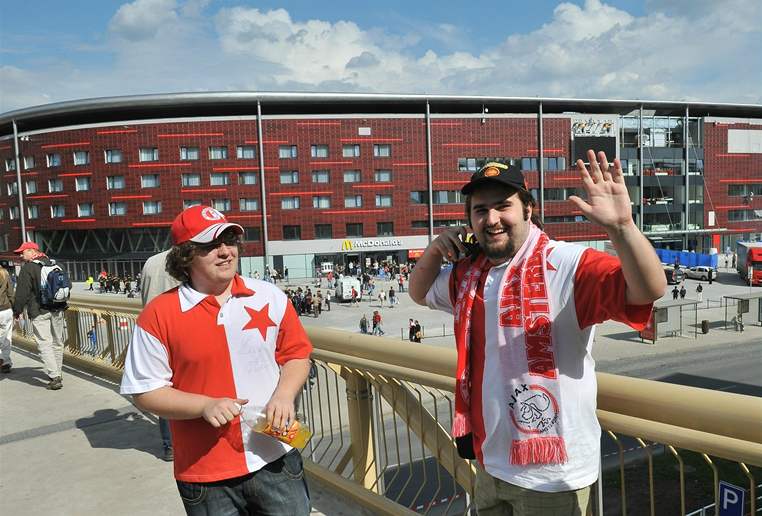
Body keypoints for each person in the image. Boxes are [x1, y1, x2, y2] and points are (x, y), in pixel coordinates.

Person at [409, 152, 665, 514]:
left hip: (552, 476)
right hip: (490, 461)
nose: (492, 219)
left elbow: (648, 290)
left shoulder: (566, 264)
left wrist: (623, 228)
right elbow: (419, 292)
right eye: (480, 210)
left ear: (528, 209)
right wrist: (435, 250)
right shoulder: (471, 275)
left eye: (503, 206)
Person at [120, 205, 313, 515]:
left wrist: (285, 395)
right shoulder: (159, 314)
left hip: (275, 456)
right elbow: (145, 390)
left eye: (230, 241)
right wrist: (204, 406)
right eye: (211, 245)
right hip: (205, 472)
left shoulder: (269, 295)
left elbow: (297, 354)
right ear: (185, 255)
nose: (225, 252)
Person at [140, 248, 182, 462]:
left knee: (163, 388)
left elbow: (143, 296)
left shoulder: (150, 262)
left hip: (153, 332)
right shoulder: (188, 259)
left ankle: (170, 446)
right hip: (181, 329)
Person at [12, 241, 70, 390]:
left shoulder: (28, 268)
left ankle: (54, 376)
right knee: (58, 341)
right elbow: (68, 286)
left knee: (45, 343)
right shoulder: (57, 264)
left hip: (38, 311)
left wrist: (16, 311)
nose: (20, 255)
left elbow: (22, 293)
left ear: (32, 251)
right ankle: (58, 371)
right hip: (57, 309)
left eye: (22, 252)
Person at [0, 267, 14, 373]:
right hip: (5, 309)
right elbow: (10, 293)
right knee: (7, 337)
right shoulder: (4, 273)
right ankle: (5, 362)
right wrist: (16, 309)